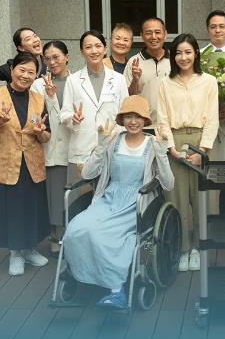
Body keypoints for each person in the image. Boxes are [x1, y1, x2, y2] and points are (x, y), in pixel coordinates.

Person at [63, 95, 174, 310]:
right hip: (109, 199)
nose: (133, 121)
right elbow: (87, 174)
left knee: (106, 237)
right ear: (122, 119)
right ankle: (82, 274)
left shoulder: (153, 143)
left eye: (138, 117)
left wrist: (162, 152)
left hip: (136, 203)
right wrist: (101, 145)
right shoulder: (112, 139)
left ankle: (116, 290)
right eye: (128, 116)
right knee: (76, 229)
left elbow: (168, 184)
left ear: (145, 120)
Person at [158, 33, 219, 272]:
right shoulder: (165, 83)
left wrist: (202, 151)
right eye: (178, 53)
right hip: (174, 142)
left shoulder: (209, 81)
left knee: (200, 199)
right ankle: (183, 249)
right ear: (173, 56)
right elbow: (162, 118)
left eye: (188, 52)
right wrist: (171, 149)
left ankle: (199, 248)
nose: (183, 57)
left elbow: (212, 119)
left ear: (196, 54)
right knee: (177, 200)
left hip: (199, 142)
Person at [0, 52, 51, 276]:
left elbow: (47, 135)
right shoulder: (0, 95)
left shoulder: (38, 99)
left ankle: (30, 249)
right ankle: (16, 254)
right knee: (13, 209)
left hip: (32, 164)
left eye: (31, 72)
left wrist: (40, 132)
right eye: (22, 70)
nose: (26, 75)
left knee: (32, 207)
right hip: (8, 162)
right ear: (12, 69)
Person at [60, 30, 128, 185]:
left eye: (98, 46)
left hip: (112, 147)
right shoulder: (73, 80)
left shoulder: (119, 80)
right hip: (82, 148)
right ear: (82, 52)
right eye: (88, 47)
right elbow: (64, 113)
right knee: (81, 196)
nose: (94, 51)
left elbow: (124, 114)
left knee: (110, 194)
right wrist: (73, 118)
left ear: (105, 49)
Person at [31, 41, 71, 256]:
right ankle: (56, 238)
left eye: (56, 57)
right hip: (51, 146)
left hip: (74, 145)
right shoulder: (38, 85)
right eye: (48, 58)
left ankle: (72, 238)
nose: (52, 62)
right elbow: (34, 115)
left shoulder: (77, 80)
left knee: (74, 195)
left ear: (67, 57)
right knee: (55, 196)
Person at [200, 10, 225, 215]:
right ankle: (206, 217)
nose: (218, 30)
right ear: (208, 30)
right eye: (213, 27)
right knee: (206, 171)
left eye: (222, 26)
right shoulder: (198, 56)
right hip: (205, 122)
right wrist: (211, 110)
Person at [124, 17, 170, 126]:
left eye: (157, 32)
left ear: (165, 34)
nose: (153, 37)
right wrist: (135, 80)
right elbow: (127, 99)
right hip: (144, 126)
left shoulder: (175, 60)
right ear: (142, 36)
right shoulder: (133, 62)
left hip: (171, 125)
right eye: (148, 33)